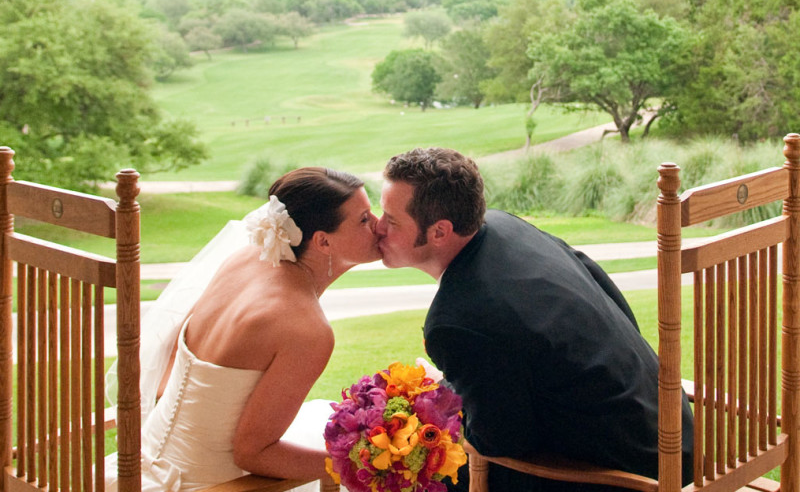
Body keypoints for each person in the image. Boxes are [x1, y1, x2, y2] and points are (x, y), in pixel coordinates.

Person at [375, 147, 694, 492]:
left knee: (413, 470)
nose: (378, 228)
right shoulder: (504, 227)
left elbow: (503, 442)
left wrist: (440, 403)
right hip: (674, 439)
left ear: (439, 232)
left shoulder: (456, 321)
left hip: (629, 478)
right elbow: (607, 294)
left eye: (391, 220)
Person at [106, 167, 380, 491]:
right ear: (322, 241)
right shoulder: (307, 330)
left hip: (135, 468)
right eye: (364, 219)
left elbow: (167, 375)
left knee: (320, 418)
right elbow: (252, 454)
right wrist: (364, 465)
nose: (378, 224)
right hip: (209, 484)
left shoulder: (246, 259)